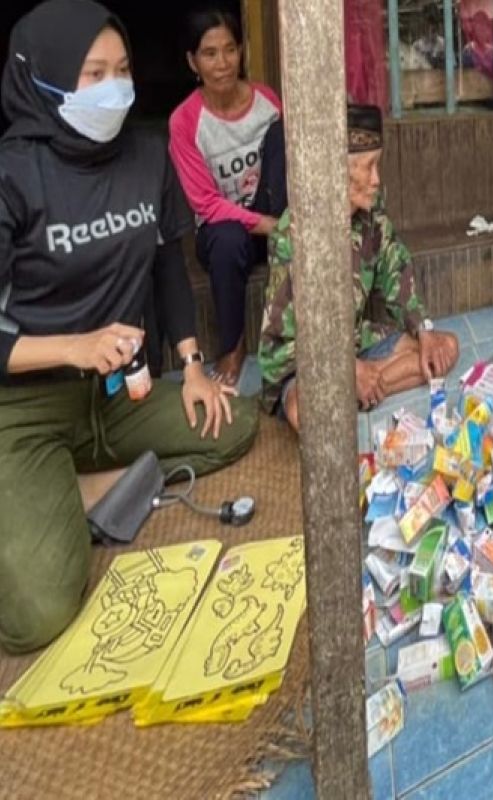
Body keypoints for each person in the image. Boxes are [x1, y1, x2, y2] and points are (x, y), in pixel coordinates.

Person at [0, 0, 258, 655]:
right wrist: (74, 346)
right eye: (93, 74)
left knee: (235, 422)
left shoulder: (145, 155)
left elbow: (167, 263)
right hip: (26, 407)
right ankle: (59, 485)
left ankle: (82, 484)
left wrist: (194, 365)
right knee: (35, 615)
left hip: (120, 394)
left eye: (121, 70)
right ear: (45, 77)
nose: (114, 86)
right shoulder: (13, 176)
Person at [258, 104, 459, 432]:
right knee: (302, 411)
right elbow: (282, 344)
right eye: (369, 167)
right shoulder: (294, 233)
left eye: (377, 165)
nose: (377, 179)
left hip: (356, 341)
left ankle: (357, 391)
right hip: (309, 361)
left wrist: (422, 329)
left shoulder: (371, 216)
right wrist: (345, 368)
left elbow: (397, 267)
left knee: (444, 348)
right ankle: (356, 387)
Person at [168, 9, 287, 386]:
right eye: (209, 53)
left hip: (272, 214)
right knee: (227, 237)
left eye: (230, 50)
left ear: (242, 51)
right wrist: (270, 226)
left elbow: (288, 166)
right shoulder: (185, 121)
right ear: (192, 61)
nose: (222, 63)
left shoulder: (266, 101)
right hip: (222, 232)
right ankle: (232, 345)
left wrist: (282, 220)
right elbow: (204, 203)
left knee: (284, 135)